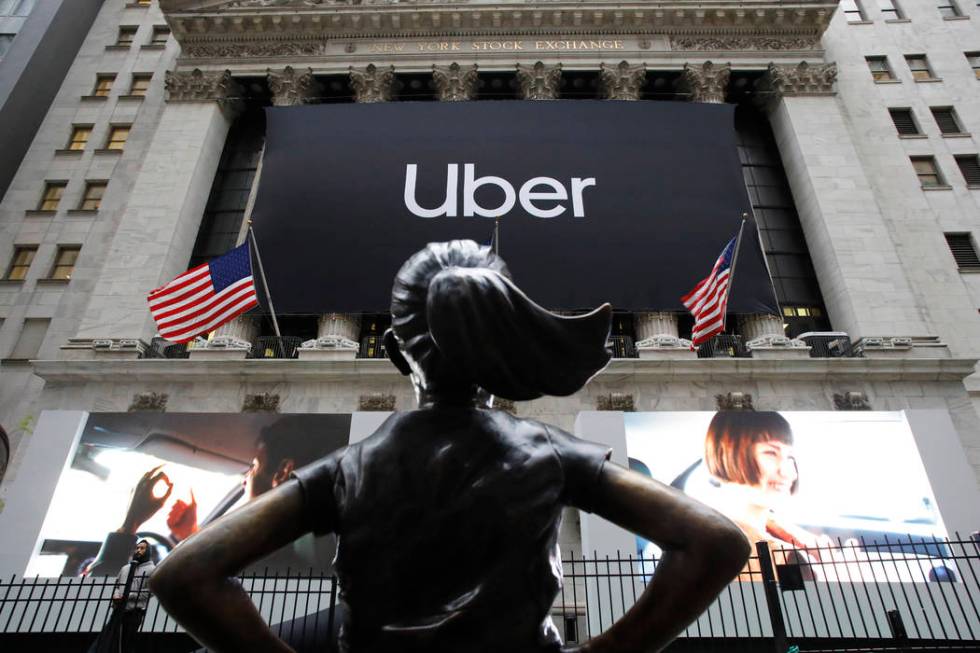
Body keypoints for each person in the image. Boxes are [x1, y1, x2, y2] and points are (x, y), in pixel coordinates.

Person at [151, 240, 751, 653]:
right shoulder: (551, 452)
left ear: (393, 351)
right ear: (503, 350)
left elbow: (184, 576)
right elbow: (717, 542)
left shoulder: (349, 467)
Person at [700, 411, 820, 552]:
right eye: (771, 453)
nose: (789, 473)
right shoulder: (714, 545)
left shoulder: (797, 540)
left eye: (790, 457)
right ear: (726, 454)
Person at [89, 539, 155, 653]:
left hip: (134, 612)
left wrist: (127, 596)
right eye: (137, 548)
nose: (138, 550)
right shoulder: (125, 568)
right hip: (118, 610)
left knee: (126, 643)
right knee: (107, 639)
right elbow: (117, 586)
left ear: (148, 551)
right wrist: (116, 596)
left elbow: (150, 592)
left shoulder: (152, 570)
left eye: (142, 548)